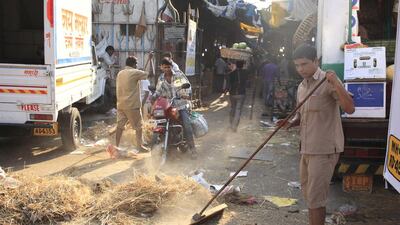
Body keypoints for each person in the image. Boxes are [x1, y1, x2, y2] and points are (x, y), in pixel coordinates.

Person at [279, 44, 354, 225]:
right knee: (309, 194)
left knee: (315, 198)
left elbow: (349, 108)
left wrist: (335, 82)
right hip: (306, 148)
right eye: (297, 66)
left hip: (324, 149)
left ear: (316, 61)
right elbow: (302, 115)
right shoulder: (302, 87)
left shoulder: (327, 82)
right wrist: (289, 123)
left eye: (304, 64)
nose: (300, 69)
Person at [152, 57, 198, 159]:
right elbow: (158, 90)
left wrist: (185, 94)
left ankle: (193, 149)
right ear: (161, 67)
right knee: (159, 121)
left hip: (180, 105)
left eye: (168, 67)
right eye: (164, 67)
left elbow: (187, 86)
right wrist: (154, 95)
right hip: (167, 106)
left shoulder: (178, 75)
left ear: (171, 66)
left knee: (187, 126)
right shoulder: (161, 78)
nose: (166, 69)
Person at [115, 56, 150, 151]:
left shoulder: (120, 73)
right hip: (132, 105)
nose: (137, 65)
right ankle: (139, 146)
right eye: (137, 63)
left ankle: (116, 146)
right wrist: (150, 59)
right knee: (139, 127)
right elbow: (148, 74)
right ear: (134, 64)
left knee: (120, 126)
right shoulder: (134, 72)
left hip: (121, 104)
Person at [226, 60, 248, 132]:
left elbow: (228, 84)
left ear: (236, 65)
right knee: (238, 110)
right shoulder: (245, 73)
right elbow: (248, 83)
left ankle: (230, 124)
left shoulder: (231, 74)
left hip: (232, 94)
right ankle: (234, 126)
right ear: (242, 65)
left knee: (233, 108)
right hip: (241, 93)